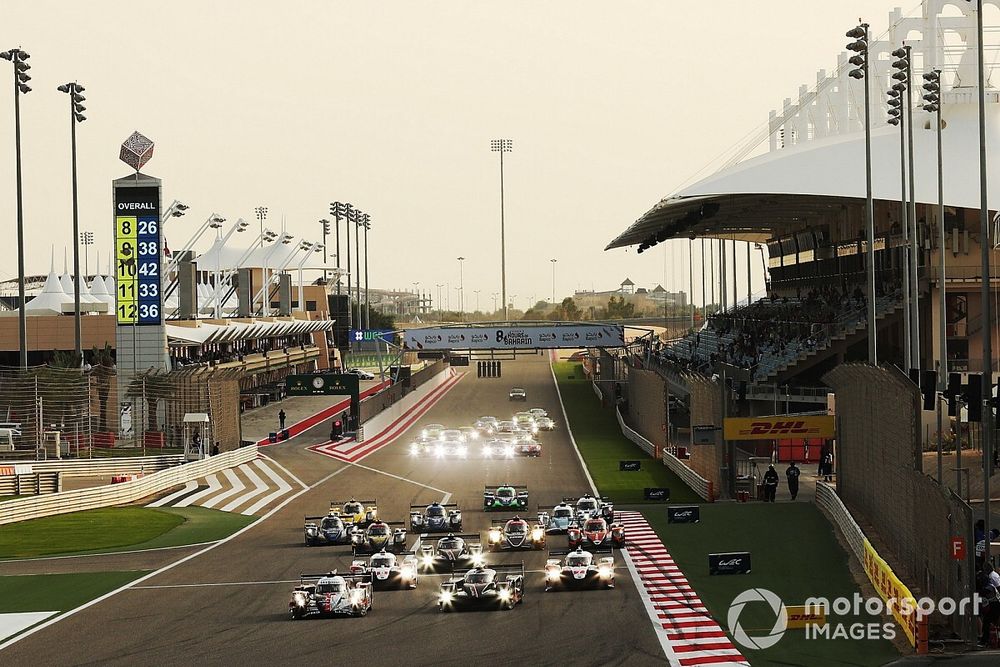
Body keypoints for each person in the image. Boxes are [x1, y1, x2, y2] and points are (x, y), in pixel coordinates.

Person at [980, 563, 1000, 648]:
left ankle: (985, 640)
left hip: (995, 604)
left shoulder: (989, 586)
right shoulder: (991, 585)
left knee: (987, 622)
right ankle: (991, 640)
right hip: (995, 604)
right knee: (992, 622)